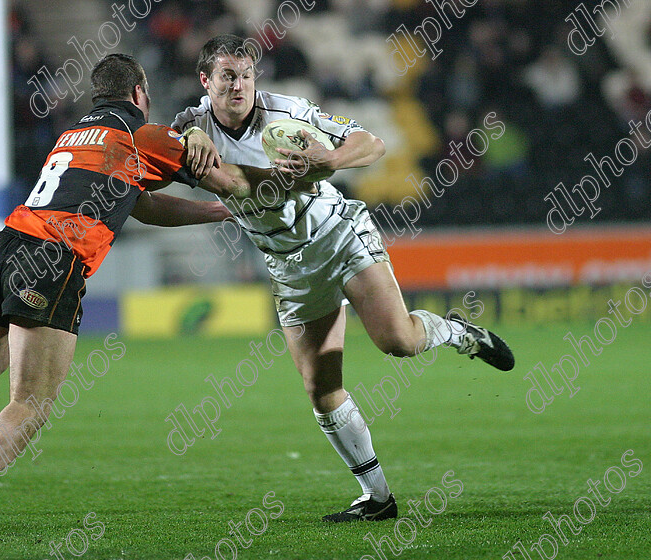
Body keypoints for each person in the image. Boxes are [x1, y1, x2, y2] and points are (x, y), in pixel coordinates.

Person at [0, 53, 312, 542]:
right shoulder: (141, 136)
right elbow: (228, 177)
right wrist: (292, 178)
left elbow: (143, 205)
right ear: (140, 93)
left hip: (3, 248)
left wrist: (217, 214)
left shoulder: (74, 135)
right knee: (32, 402)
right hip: (53, 259)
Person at [172, 35, 515, 522]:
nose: (239, 85)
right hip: (288, 264)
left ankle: (460, 332)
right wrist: (189, 138)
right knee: (321, 387)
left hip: (339, 232)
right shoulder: (189, 127)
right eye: (228, 76)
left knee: (398, 342)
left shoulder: (288, 111)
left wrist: (329, 161)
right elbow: (229, 182)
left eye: (246, 75)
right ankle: (377, 498)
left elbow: (369, 142)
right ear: (205, 81)